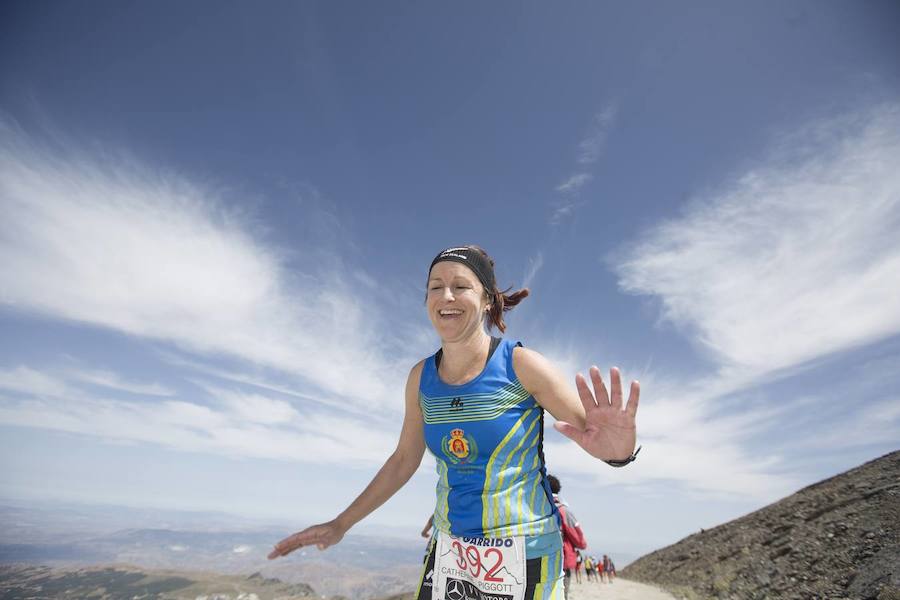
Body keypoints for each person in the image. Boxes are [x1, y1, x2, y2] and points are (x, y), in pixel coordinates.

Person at [267, 244, 641, 600]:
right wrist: (340, 524)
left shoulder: (521, 365)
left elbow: (600, 441)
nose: (446, 296)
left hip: (524, 551)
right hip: (451, 551)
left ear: (487, 300)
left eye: (461, 286)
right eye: (435, 287)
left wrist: (619, 452)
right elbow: (403, 461)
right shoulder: (420, 378)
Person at [549, 474, 587, 599]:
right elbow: (578, 538)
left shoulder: (537, 508)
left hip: (539, 559)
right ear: (558, 489)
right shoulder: (563, 510)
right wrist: (582, 544)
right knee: (562, 593)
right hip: (562, 559)